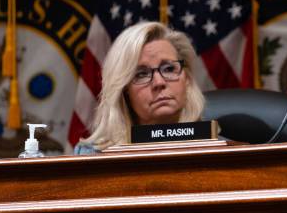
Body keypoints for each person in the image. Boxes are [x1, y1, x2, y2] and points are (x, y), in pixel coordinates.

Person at [75, 22, 205, 154]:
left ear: (187, 78)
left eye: (169, 69)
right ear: (124, 91)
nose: (159, 82)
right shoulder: (91, 156)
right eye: (142, 74)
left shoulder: (221, 150)